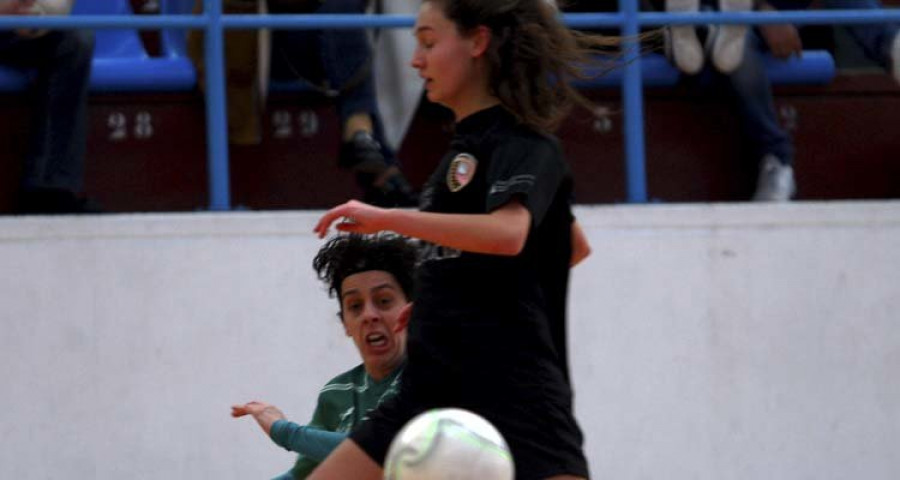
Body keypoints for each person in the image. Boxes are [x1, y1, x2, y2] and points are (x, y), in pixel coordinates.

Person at [310, 1, 596, 478]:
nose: (415, 60)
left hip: (517, 400)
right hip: (428, 392)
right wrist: (449, 293)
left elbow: (511, 235)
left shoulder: (524, 145)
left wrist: (390, 218)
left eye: (427, 42)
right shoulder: (460, 154)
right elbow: (563, 246)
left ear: (477, 42)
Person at [187, 0, 418, 208]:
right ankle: (367, 143)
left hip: (332, 38)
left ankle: (361, 133)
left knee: (342, 8)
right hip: (269, 40)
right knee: (343, 24)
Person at [663, 0, 900, 201]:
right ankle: (776, 160)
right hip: (719, 25)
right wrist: (763, 11)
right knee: (732, 46)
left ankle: (893, 45)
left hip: (784, 15)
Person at [231, 233, 418, 479]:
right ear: (345, 324)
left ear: (410, 312)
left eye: (383, 301)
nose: (369, 315)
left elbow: (380, 450)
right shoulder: (336, 392)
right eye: (355, 306)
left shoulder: (425, 379)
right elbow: (305, 473)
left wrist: (284, 431)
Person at [1, 0, 99, 213]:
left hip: (17, 30)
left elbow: (58, 4)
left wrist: (41, 15)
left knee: (75, 41)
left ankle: (49, 189)